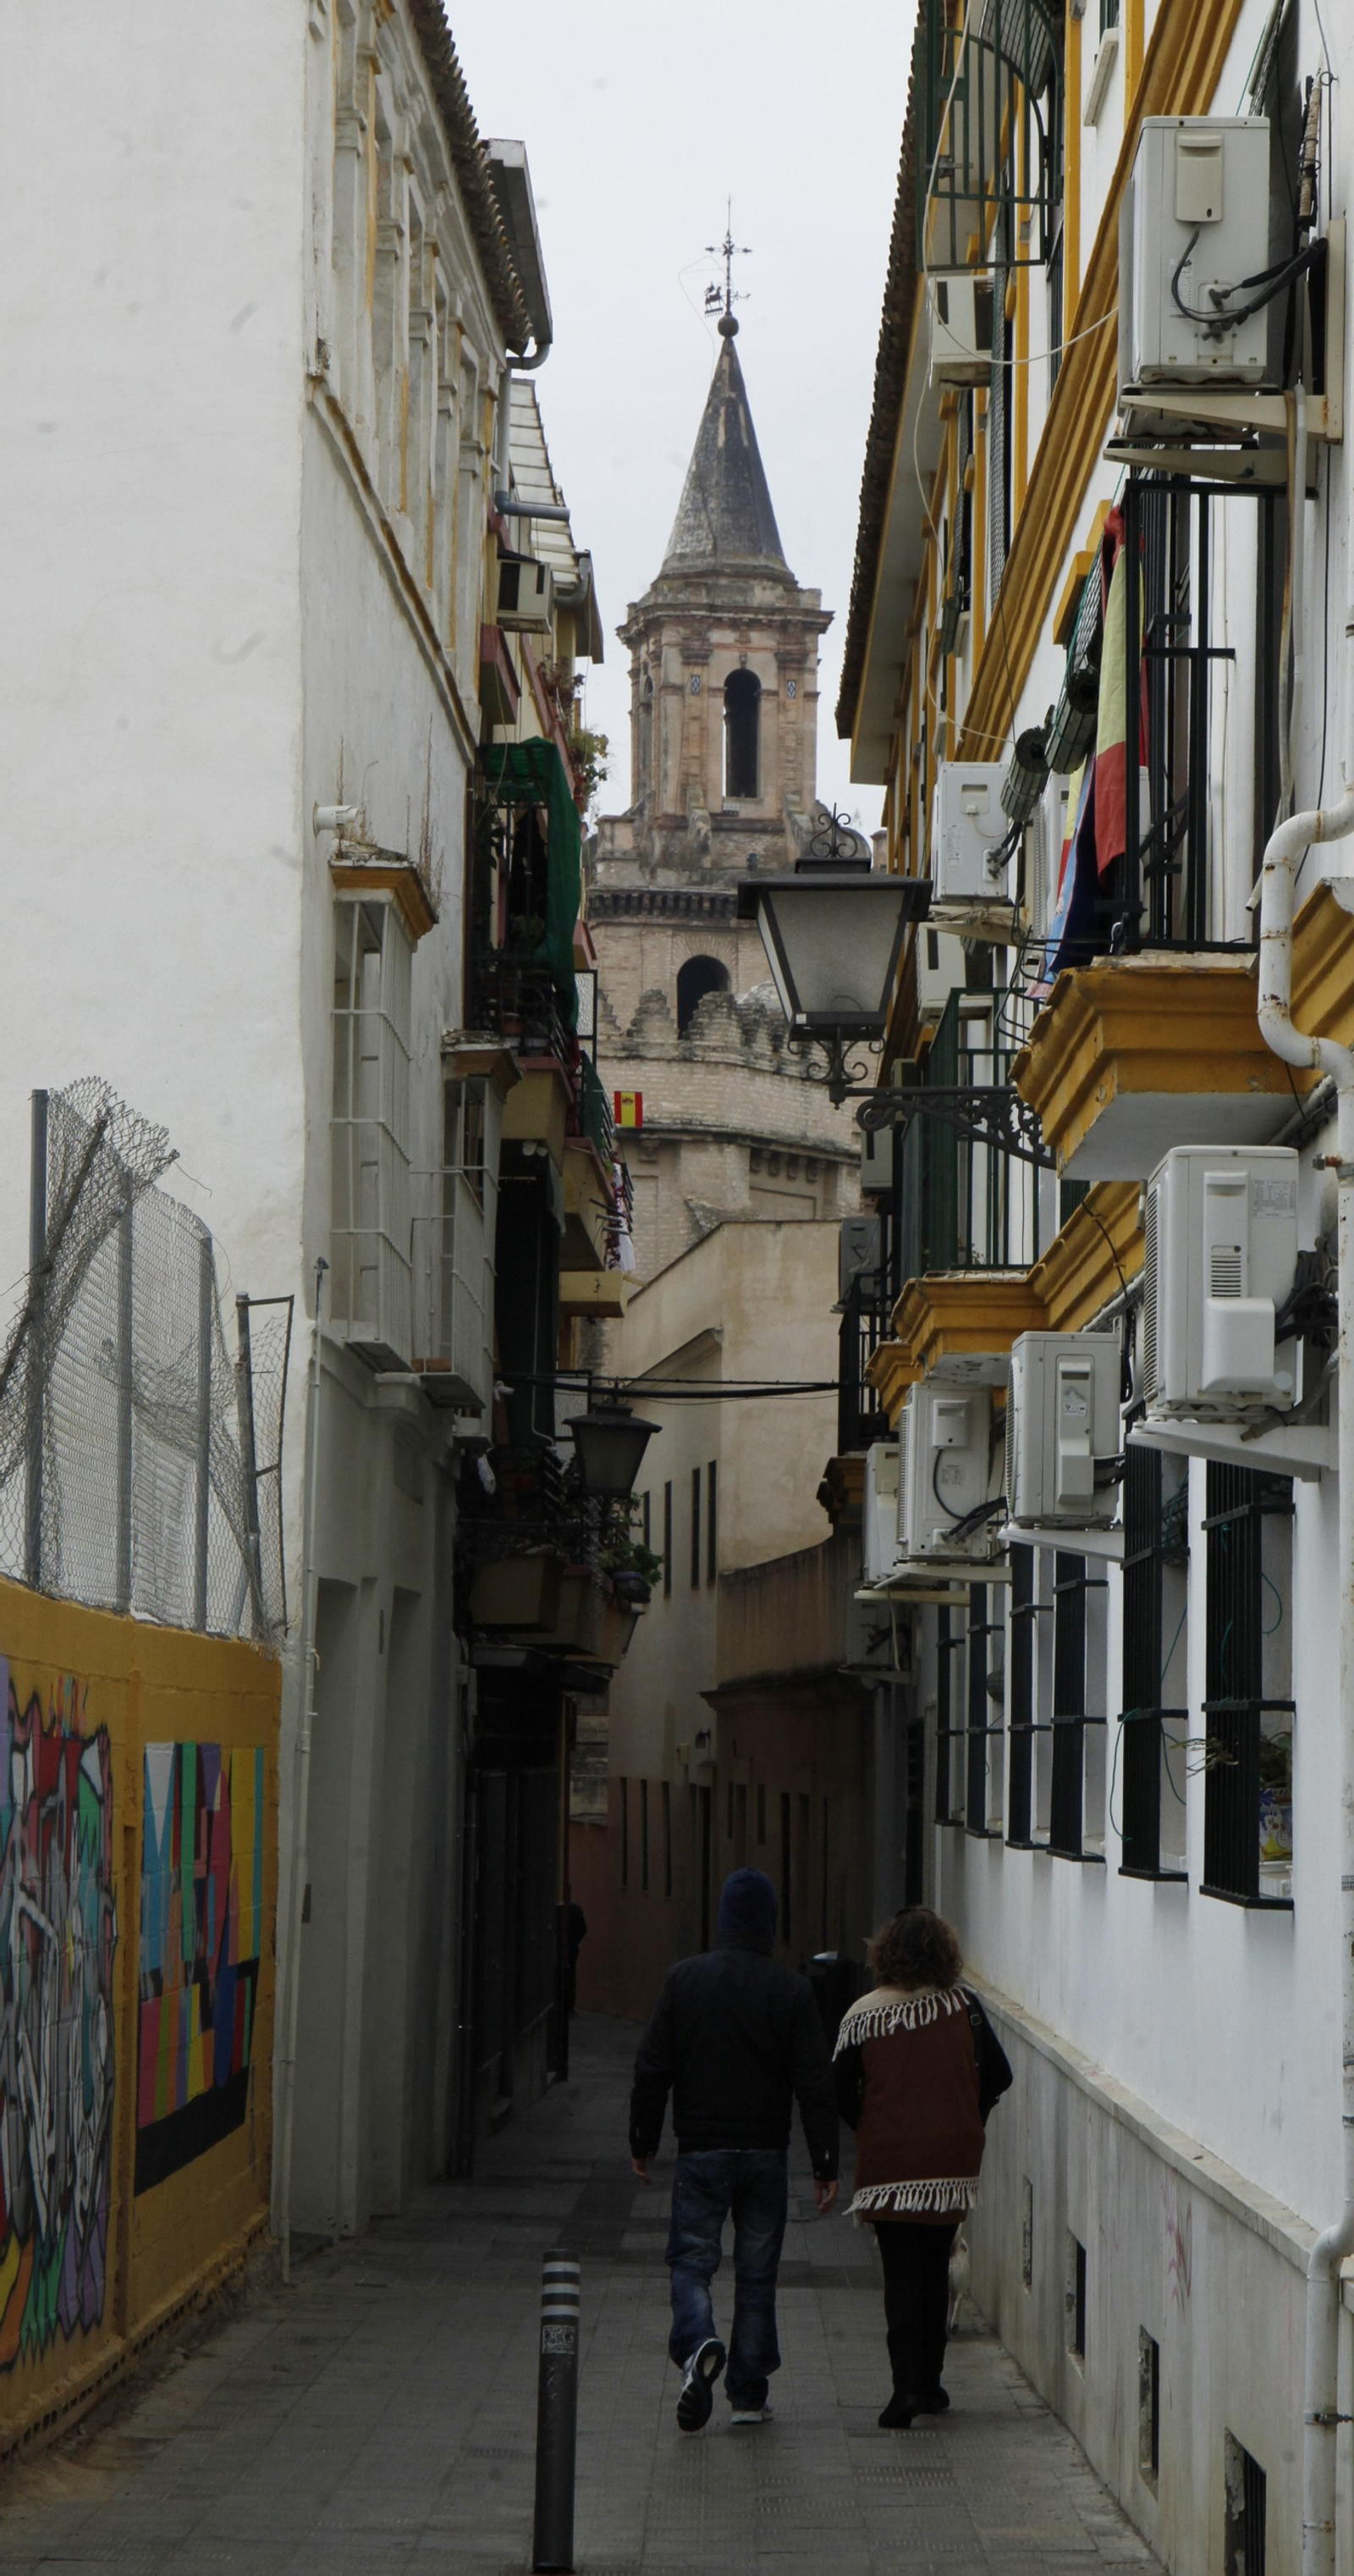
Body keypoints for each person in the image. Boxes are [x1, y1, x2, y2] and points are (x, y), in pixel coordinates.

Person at [630, 1866, 839, 2432]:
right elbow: (814, 2081)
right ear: (769, 1925)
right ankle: (747, 2393)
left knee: (691, 2261)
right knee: (756, 2274)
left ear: (722, 1919)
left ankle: (699, 2344)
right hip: (766, 2154)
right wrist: (825, 2161)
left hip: (701, 2150)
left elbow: (652, 2067)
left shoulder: (683, 1980)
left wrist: (642, 2140)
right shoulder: (791, 1990)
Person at [834, 1906, 1011, 2430]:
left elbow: (841, 2090)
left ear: (886, 1953)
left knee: (900, 2274)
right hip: (948, 2163)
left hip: (889, 2162)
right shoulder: (966, 2008)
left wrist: (870, 2126)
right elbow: (998, 2076)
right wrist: (968, 2118)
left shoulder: (864, 2014)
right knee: (934, 2267)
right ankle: (930, 2384)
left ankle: (904, 2388)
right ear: (945, 1954)